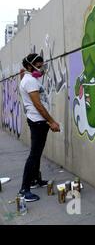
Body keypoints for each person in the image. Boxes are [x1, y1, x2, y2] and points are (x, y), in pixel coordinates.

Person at [19, 54, 61, 202]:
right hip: (38, 121)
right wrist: (52, 121)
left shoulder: (30, 79)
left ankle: (35, 180)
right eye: (39, 64)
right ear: (30, 66)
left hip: (37, 121)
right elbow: (38, 105)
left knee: (37, 152)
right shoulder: (30, 81)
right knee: (34, 155)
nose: (42, 67)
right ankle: (24, 189)